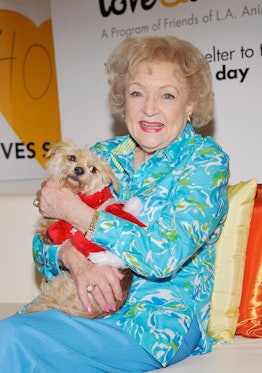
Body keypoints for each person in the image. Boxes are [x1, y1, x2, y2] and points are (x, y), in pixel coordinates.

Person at [0, 36, 229, 372]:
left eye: (167, 95)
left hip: (154, 321)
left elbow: (161, 257)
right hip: (73, 304)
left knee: (12, 339)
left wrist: (74, 211)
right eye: (138, 93)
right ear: (124, 99)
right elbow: (42, 244)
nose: (150, 108)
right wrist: (72, 258)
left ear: (191, 104)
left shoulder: (205, 163)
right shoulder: (102, 155)